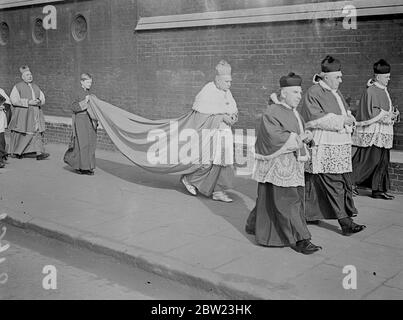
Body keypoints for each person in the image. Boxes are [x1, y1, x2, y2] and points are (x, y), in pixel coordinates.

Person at [245, 72, 321, 254]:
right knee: (288, 202)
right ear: (284, 93)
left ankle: (253, 225)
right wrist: (299, 138)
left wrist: (308, 138)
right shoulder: (272, 112)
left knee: (269, 199)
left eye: (300, 92)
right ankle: (302, 239)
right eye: (295, 92)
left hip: (292, 164)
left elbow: (300, 132)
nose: (299, 96)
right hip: (278, 164)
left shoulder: (294, 112)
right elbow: (273, 137)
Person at [300, 55, 366, 236]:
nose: (341, 80)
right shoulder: (314, 92)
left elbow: (344, 112)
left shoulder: (335, 92)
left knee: (316, 182)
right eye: (338, 77)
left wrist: (349, 118)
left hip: (339, 144)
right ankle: (345, 222)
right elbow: (314, 118)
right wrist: (342, 120)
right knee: (333, 183)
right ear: (325, 77)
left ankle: (308, 214)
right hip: (324, 144)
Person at [180, 60, 238, 202]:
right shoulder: (208, 90)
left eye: (230, 81)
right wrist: (222, 117)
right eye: (226, 81)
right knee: (207, 163)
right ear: (218, 80)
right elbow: (201, 116)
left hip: (224, 133)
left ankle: (218, 192)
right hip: (210, 134)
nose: (229, 85)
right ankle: (188, 179)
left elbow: (233, 109)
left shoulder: (227, 92)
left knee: (223, 163)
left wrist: (233, 116)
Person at [352, 59, 399, 200]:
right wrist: (387, 114)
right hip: (373, 133)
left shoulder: (384, 90)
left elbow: (386, 109)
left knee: (383, 161)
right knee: (368, 161)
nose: (389, 79)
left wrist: (394, 113)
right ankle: (349, 184)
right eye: (386, 77)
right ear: (378, 77)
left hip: (383, 132)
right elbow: (371, 112)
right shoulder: (371, 91)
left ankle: (378, 189)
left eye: (389, 76)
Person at [8, 65, 49, 160]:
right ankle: (18, 152)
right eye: (27, 75)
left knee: (37, 132)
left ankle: (39, 153)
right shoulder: (17, 87)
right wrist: (28, 102)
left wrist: (39, 101)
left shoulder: (36, 86)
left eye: (30, 74)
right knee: (24, 133)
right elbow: (13, 100)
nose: (30, 76)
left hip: (35, 113)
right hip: (24, 114)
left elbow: (42, 98)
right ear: (23, 77)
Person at [63, 73, 98, 175]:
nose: (90, 84)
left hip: (89, 120)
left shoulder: (91, 93)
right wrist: (84, 102)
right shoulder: (77, 93)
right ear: (82, 82)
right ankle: (82, 167)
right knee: (82, 143)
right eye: (88, 82)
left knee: (90, 143)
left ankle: (88, 166)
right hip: (81, 120)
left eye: (91, 82)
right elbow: (73, 107)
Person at [0, 88, 11, 168]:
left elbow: (7, 101)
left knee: (1, 139)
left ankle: (1, 157)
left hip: (0, 118)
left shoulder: (0, 90)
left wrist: (2, 106)